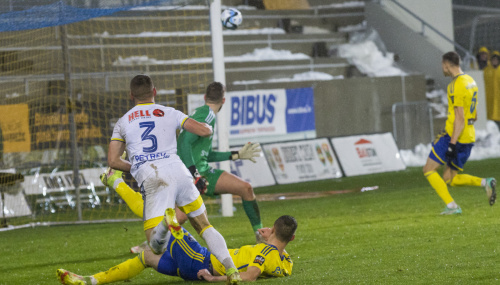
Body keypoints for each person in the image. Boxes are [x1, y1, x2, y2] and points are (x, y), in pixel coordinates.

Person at [107, 75, 241, 283]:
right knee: (204, 226)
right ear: (155, 92)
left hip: (154, 177)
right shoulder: (170, 112)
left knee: (154, 244)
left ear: (131, 95)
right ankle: (232, 270)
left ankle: (166, 224)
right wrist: (209, 127)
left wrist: (136, 166)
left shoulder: (123, 122)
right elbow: (204, 131)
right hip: (180, 172)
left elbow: (113, 161)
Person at [102, 82, 264, 245]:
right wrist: (195, 175)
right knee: (176, 217)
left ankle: (259, 235)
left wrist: (235, 155)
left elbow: (204, 154)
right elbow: (184, 141)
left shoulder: (204, 114)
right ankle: (149, 242)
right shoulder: (206, 114)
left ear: (205, 97)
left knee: (246, 188)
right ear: (223, 100)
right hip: (189, 174)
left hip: (202, 171)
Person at [56, 215, 296, 284]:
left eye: (268, 228)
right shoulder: (285, 261)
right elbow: (274, 264)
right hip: (194, 267)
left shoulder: (264, 254)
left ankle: (156, 233)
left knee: (173, 223)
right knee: (147, 258)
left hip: (201, 261)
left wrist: (214, 278)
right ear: (292, 238)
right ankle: (90, 281)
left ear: (274, 229)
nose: (262, 229)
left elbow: (249, 275)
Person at [423, 51, 497, 215]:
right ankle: (486, 182)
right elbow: (474, 115)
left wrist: (452, 143)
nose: (442, 68)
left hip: (454, 136)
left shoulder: (455, 85)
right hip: (469, 136)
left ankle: (452, 206)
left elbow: (460, 118)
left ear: (446, 65)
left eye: (442, 65)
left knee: (428, 169)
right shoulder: (471, 81)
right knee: (450, 179)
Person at [483, 51, 500, 129]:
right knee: (491, 119)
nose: (495, 61)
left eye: (496, 59)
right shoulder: (486, 70)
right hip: (489, 99)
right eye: (493, 59)